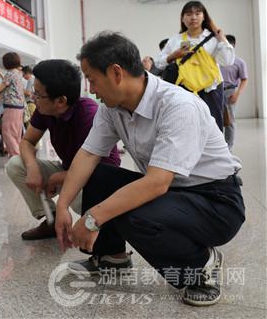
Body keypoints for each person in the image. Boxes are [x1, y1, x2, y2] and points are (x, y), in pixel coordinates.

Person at [55, 32, 244, 307]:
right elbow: (88, 154)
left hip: (215, 202)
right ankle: (112, 257)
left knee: (135, 216)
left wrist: (93, 218)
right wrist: (62, 206)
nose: (91, 89)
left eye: (92, 80)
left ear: (116, 73)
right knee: (98, 175)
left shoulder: (178, 106)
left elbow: (157, 183)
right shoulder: (112, 107)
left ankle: (201, 267)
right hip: (172, 193)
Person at [6, 60, 121, 240]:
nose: (34, 98)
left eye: (39, 95)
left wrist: (59, 177)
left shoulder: (88, 115)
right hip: (68, 170)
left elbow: (105, 168)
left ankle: (103, 229)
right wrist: (32, 167)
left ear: (61, 101)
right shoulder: (44, 110)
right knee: (15, 165)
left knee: (78, 197)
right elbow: (27, 141)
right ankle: (51, 220)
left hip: (96, 177)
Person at [155, 0, 234, 131]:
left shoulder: (213, 39)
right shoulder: (176, 40)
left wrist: (222, 38)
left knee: (214, 126)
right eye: (189, 14)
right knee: (187, 126)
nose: (193, 17)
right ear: (182, 18)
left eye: (197, 13)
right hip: (185, 90)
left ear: (204, 17)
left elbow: (228, 61)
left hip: (211, 89)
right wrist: (173, 55)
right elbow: (158, 62)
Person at [0, 52, 25, 156]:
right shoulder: (18, 73)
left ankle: (16, 157)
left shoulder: (10, 74)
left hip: (11, 108)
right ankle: (17, 158)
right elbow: (8, 83)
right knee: (16, 135)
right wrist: (0, 73)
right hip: (19, 108)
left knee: (8, 133)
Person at [220, 35, 248, 151]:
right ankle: (219, 146)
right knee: (216, 119)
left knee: (230, 120)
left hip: (230, 92)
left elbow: (244, 79)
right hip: (216, 91)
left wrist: (237, 94)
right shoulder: (217, 61)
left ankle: (228, 147)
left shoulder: (239, 62)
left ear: (233, 46)